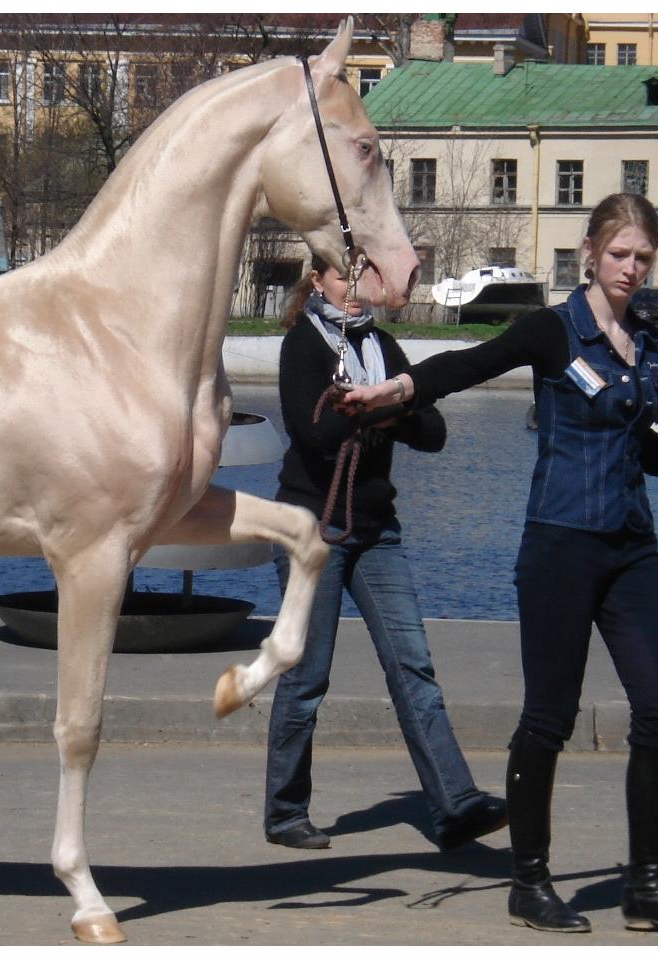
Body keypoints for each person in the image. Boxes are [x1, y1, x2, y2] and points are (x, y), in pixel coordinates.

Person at [338, 193, 658, 936]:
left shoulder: (649, 342)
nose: (632, 269)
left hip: (631, 546)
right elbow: (471, 362)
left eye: (643, 257)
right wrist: (401, 388)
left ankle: (645, 884)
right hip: (559, 546)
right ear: (590, 251)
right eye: (620, 255)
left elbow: (646, 449)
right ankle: (531, 880)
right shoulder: (553, 329)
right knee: (550, 717)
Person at [263, 254, 508, 853]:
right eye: (341, 277)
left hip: (378, 531)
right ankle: (285, 811)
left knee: (413, 666)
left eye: (361, 278)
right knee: (306, 676)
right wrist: (381, 413)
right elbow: (314, 434)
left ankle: (455, 804)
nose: (353, 289)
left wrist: (379, 405)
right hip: (310, 529)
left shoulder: (383, 347)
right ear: (317, 281)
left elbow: (434, 434)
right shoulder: (303, 345)